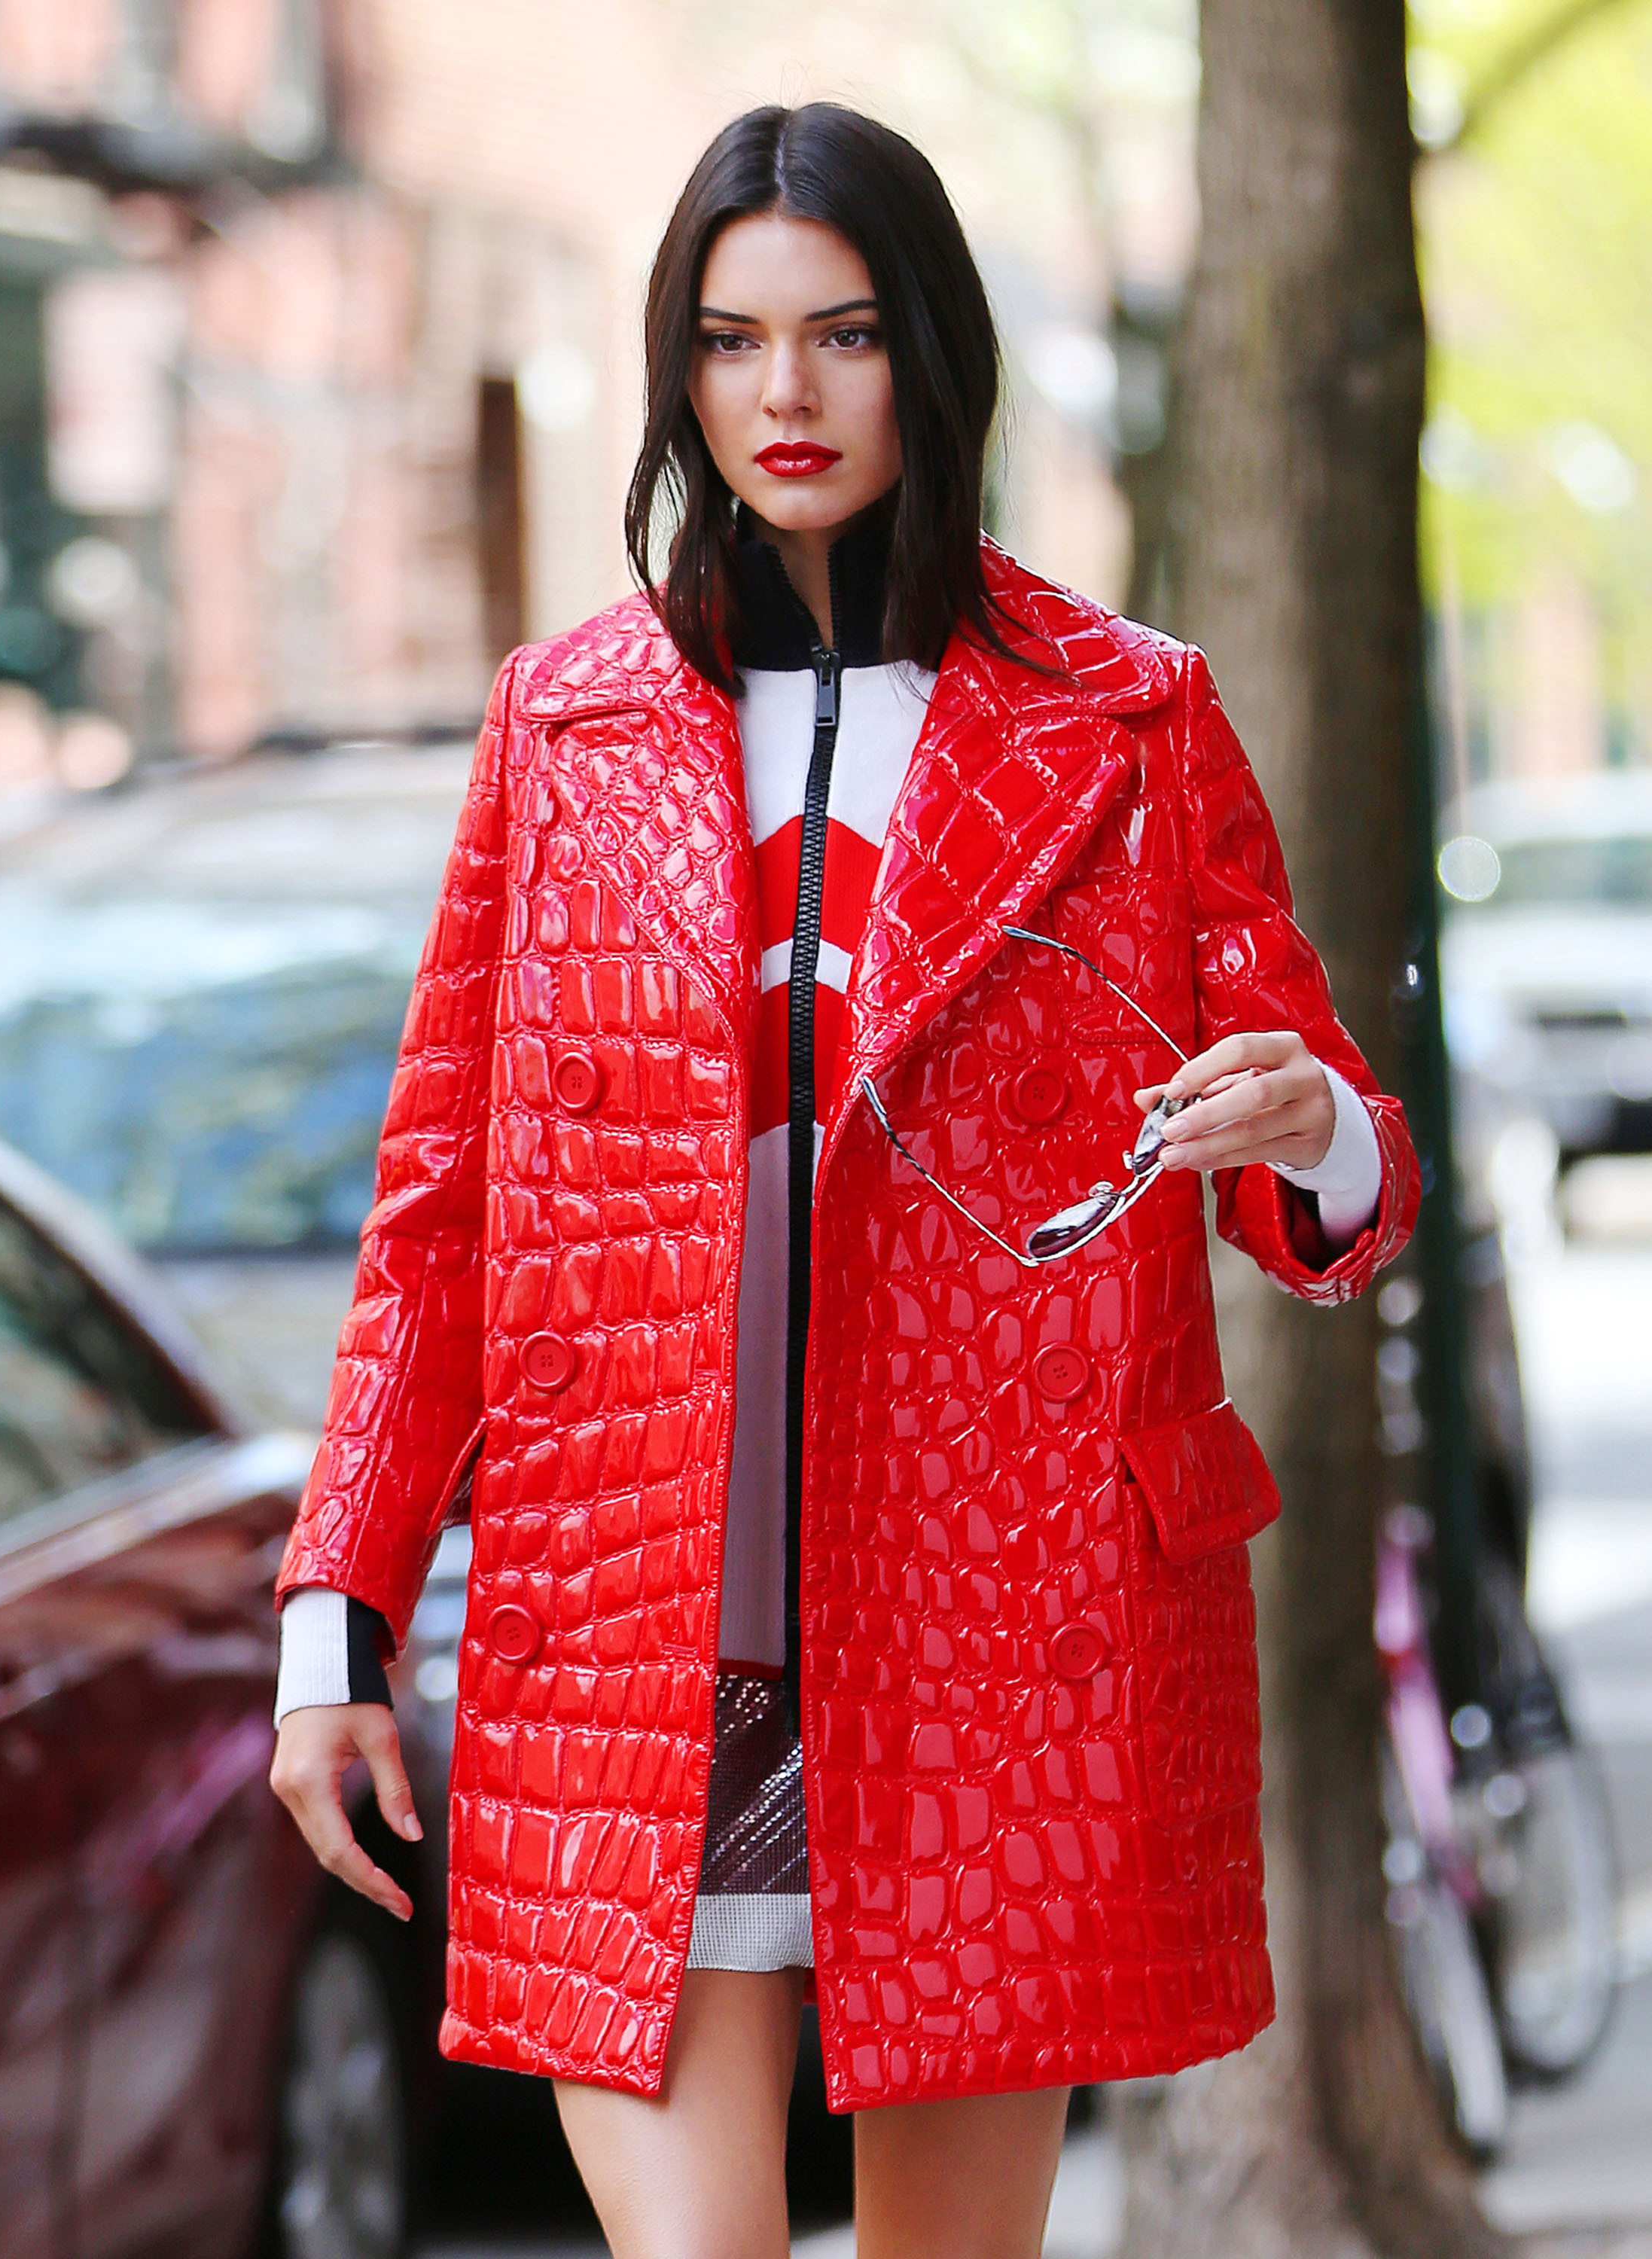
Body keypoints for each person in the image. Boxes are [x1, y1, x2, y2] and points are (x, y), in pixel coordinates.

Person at [270, 102, 1418, 2259]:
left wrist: (1321, 1128)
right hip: (633, 1650)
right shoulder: (563, 730)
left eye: (845, 334)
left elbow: (1325, 1183)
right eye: (731, 341)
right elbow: (439, 1217)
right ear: (678, 373)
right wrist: (335, 1624)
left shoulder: (1129, 722)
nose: (783, 394)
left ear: (932, 356)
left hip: (997, 1650)